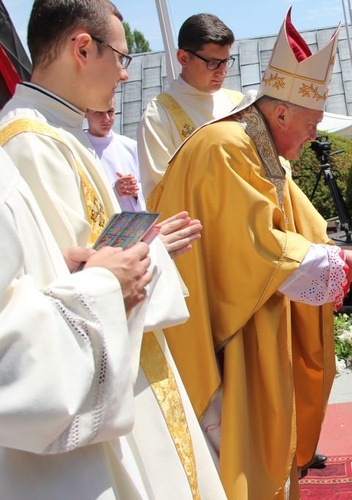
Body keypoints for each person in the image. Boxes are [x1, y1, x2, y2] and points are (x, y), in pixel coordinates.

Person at [149, 8, 352, 498]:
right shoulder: (225, 147)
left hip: (256, 313)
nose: (314, 134)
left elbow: (304, 225)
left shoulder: (257, 148)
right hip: (227, 329)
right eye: (311, 122)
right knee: (239, 459)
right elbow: (258, 248)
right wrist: (343, 265)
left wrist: (348, 260)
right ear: (280, 112)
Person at [0, 1, 225, 498]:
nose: (125, 74)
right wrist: (144, 260)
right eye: (121, 57)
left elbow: (83, 260)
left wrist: (148, 251)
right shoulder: (29, 144)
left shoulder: (57, 133)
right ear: (83, 47)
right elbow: (69, 297)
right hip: (96, 403)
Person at [0, 147, 157, 498]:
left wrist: (57, 269)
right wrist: (102, 288)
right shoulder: (29, 141)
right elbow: (11, 369)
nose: (122, 87)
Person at [137, 13, 245, 198]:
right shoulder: (159, 115)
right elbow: (161, 192)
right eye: (213, 63)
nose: (222, 72)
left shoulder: (240, 103)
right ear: (183, 58)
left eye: (226, 62)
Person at [85, 98, 145, 211]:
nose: (106, 118)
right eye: (99, 113)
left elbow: (150, 188)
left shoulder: (131, 146)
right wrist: (114, 190)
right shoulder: (80, 148)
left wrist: (135, 190)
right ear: (85, 112)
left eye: (110, 111)